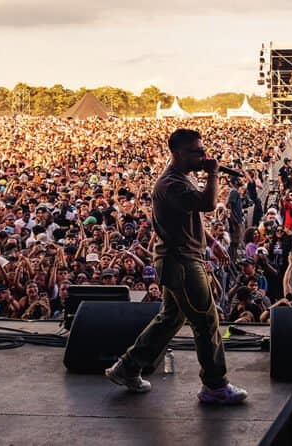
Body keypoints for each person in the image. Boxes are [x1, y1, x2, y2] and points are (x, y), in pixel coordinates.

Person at [105, 128, 247, 405]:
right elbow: (206, 204)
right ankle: (215, 385)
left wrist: (212, 243)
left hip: (180, 259)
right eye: (197, 151)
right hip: (181, 262)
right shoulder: (172, 184)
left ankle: (127, 367)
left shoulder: (181, 179)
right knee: (206, 321)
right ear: (178, 153)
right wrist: (214, 173)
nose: (203, 155)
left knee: (170, 319)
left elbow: (191, 214)